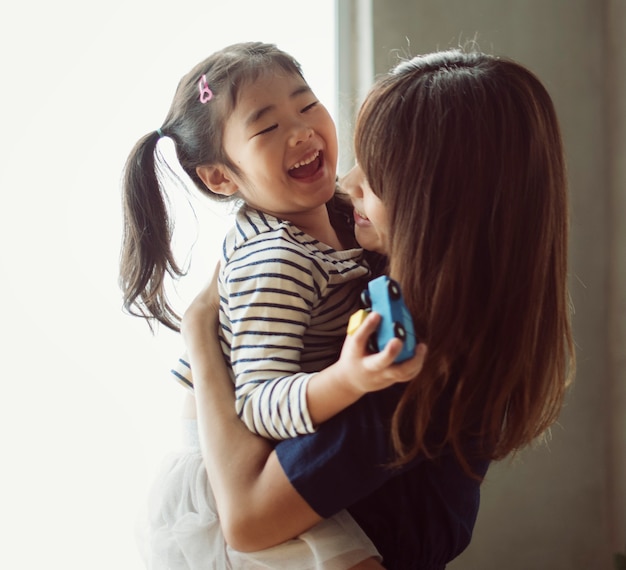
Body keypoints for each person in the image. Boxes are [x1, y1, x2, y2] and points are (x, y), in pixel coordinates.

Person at [181, 48, 576, 569]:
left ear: (434, 205)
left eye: (376, 174)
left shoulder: (400, 360)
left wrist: (198, 333)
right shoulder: (462, 306)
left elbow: (249, 521)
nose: (347, 183)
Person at [120, 41, 424, 569]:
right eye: (266, 128)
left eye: (306, 105)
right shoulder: (278, 259)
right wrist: (348, 379)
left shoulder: (328, 213)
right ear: (221, 178)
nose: (302, 131)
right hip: (229, 470)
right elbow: (260, 403)